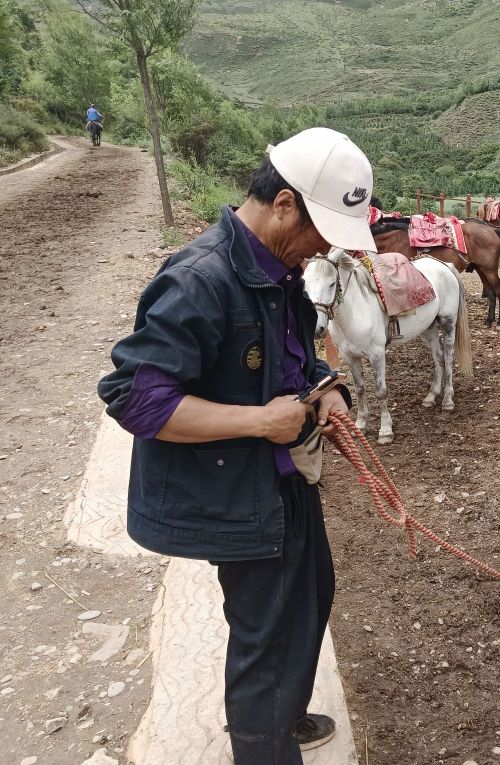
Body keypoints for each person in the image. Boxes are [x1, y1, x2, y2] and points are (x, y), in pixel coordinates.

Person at [98, 127, 377, 765]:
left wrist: (325, 388)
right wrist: (258, 423)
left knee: (311, 597)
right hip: (233, 489)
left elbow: (296, 359)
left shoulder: (279, 271)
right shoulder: (200, 279)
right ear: (283, 205)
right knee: (267, 635)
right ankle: (264, 745)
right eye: (323, 231)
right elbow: (135, 398)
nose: (326, 249)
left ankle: (279, 717)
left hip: (280, 478)